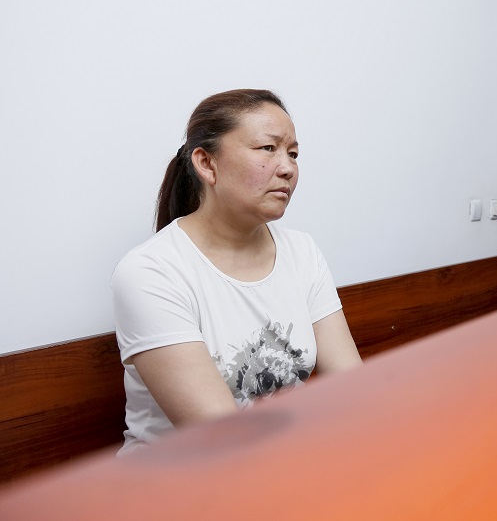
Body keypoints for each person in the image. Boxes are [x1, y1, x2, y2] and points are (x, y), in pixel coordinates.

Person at [112, 89, 363, 454]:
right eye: (268, 148)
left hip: (288, 465)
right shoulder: (151, 272)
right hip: (179, 486)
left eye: (293, 153)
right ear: (207, 164)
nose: (288, 167)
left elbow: (352, 387)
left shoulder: (302, 251)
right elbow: (224, 439)